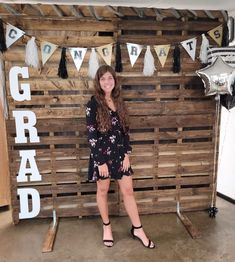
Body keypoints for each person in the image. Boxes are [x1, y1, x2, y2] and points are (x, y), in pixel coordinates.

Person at [86, 65, 155, 249]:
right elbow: (92, 135)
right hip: (102, 157)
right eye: (103, 79)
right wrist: (99, 161)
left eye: (110, 78)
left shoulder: (119, 101)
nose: (107, 82)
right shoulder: (93, 104)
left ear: (114, 80)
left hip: (120, 155)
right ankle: (107, 227)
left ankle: (138, 229)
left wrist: (126, 154)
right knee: (102, 191)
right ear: (98, 82)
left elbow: (125, 131)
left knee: (128, 192)